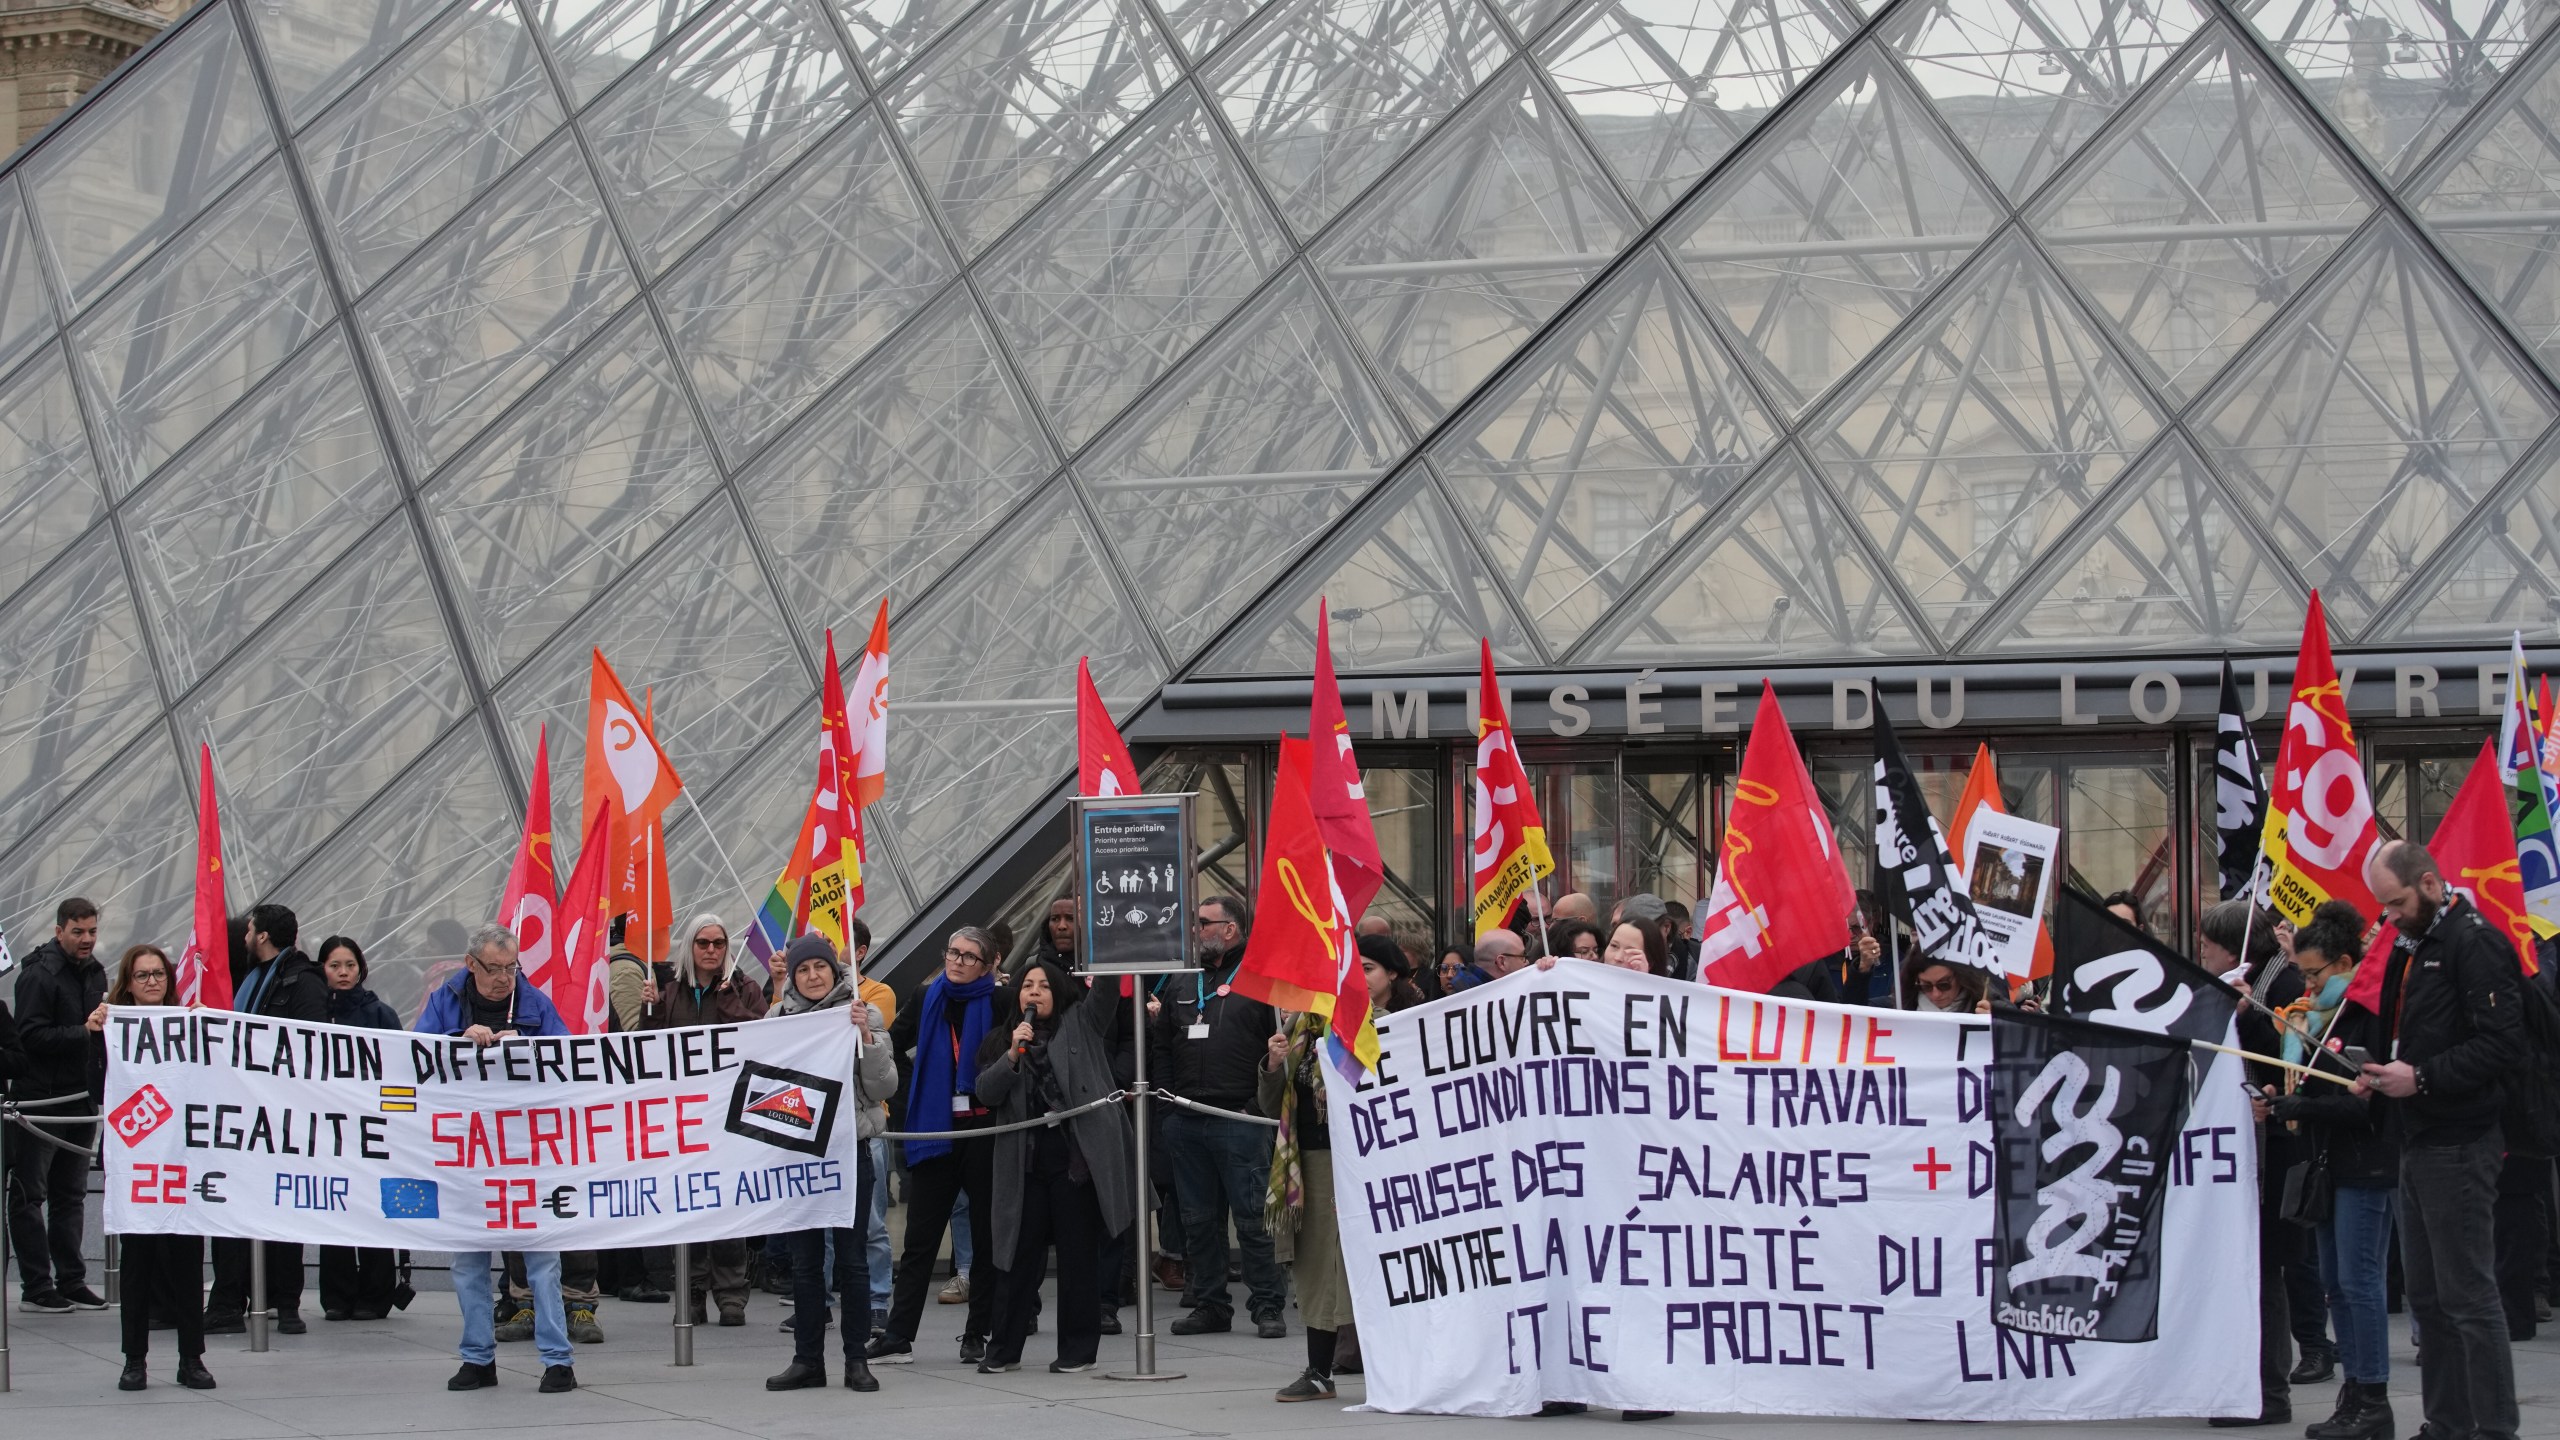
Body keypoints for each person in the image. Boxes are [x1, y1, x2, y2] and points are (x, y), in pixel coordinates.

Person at [2359, 840, 2524, 1440]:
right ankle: (2446, 1421)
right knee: (2427, 1299)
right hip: (2420, 1132)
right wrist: (2380, 1071)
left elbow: (2503, 1044)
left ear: (2429, 884)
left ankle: (2493, 1427)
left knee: (2468, 1297)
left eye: (2396, 903)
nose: (2390, 917)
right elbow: (2416, 1031)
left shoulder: (2471, 940)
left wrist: (2421, 1077)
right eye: (2383, 907)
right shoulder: (2417, 939)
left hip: (2460, 1136)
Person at [1264, 936, 1423, 1403]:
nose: (1355, 979)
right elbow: (1273, 1104)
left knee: (1378, 1267)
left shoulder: (1401, 1027)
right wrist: (1274, 1064)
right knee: (1317, 1267)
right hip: (1314, 1162)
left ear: (1392, 974)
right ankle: (1318, 1369)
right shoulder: (1304, 1028)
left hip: (1376, 1166)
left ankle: (1402, 1365)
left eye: (1367, 968)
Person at [418, 926, 577, 1394]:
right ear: (471, 964)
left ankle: (558, 1361)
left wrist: (529, 1049)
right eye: (495, 969)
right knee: (467, 1262)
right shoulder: (443, 1003)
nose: (505, 978)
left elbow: (569, 1063)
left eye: (512, 968)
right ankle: (477, 1358)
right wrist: (455, 1039)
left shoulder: (536, 1005)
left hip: (527, 1153)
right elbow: (417, 1057)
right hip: (468, 1156)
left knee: (542, 1261)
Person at [2263, 902, 2396, 1440]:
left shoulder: (2365, 1009)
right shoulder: (2317, 1017)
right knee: (2337, 1283)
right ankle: (2354, 1391)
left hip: (2365, 1163)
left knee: (2360, 1281)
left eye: (2314, 973)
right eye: (2303, 973)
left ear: (2344, 962)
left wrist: (2305, 1107)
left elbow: (2366, 1102)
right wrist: (2283, 1099)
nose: (2308, 984)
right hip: (2327, 1163)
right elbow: (2318, 1091)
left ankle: (2374, 1396)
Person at [976, 958, 1133, 1374]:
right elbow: (986, 1093)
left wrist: (1108, 942)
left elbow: (1107, 991)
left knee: (1077, 1258)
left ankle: (1077, 1351)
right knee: (1016, 1259)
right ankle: (1003, 1350)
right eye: (1027, 985)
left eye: (1044, 986)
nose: (1034, 992)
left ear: (1058, 992)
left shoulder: (1081, 1022)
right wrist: (1012, 1053)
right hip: (1024, 1166)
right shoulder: (1003, 1038)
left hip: (1074, 1165)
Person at [872, 927, 1016, 1365]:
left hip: (985, 1133)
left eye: (969, 957)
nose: (956, 961)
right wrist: (915, 1090)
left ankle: (977, 1334)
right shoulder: (926, 994)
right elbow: (893, 1045)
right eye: (952, 952)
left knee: (987, 1240)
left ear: (990, 965)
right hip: (935, 1129)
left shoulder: (1000, 1001)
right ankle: (898, 1337)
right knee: (920, 1239)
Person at [80, 945, 213, 1390]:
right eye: (142, 975)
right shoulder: (111, 1026)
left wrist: (207, 1027)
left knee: (187, 1262)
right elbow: (97, 1088)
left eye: (158, 974)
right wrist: (94, 1035)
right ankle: (133, 1359)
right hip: (136, 1164)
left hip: (180, 1160)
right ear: (128, 981)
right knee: (137, 1264)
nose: (152, 981)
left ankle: (191, 1357)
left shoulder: (186, 1023)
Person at [1153, 894, 1286, 1338]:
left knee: (1252, 1220)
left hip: (1241, 1118)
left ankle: (1267, 1305)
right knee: (1198, 1220)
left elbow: (1280, 1047)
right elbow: (1162, 1045)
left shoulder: (1262, 977)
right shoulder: (1182, 979)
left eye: (1204, 922)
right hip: (1187, 1117)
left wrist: (1255, 1106)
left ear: (1230, 929)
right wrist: (1169, 1100)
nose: (1196, 929)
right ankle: (1210, 1304)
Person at [765, 934, 892, 1392]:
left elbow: (884, 1087)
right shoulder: (778, 1018)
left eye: (820, 967)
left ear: (835, 970)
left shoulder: (863, 1011)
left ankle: (856, 1360)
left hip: (849, 1151)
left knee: (853, 1260)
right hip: (799, 1155)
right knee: (804, 1263)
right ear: (794, 977)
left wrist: (865, 1038)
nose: (813, 976)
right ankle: (807, 1360)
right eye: (803, 970)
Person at [2201, 896, 2307, 1429]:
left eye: (2206, 944)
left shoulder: (2279, 986)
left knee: (2264, 1266)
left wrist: (2249, 1017)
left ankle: (2268, 1388)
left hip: (2273, 1149)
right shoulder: (2253, 979)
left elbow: (2287, 1057)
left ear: (2229, 944)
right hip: (2244, 1148)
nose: (2202, 953)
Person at [206, 902, 328, 1335]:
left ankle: (284, 1301)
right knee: (235, 1207)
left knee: (281, 1209)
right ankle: (230, 1299)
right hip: (247, 1109)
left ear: (261, 936)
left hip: (280, 1113)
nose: (243, 936)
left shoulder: (302, 981)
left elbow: (311, 1044)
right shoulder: (258, 977)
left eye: (249, 929)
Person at [644, 913, 765, 1326]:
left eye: (718, 943)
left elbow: (765, 1036)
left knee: (730, 1205)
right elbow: (648, 1050)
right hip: (685, 1118)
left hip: (731, 1113)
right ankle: (692, 1290)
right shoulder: (670, 991)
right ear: (689, 947)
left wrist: (731, 1004)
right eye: (703, 943)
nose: (712, 950)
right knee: (689, 1203)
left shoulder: (744, 987)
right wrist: (653, 1012)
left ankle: (731, 1294)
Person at [9, 896, 105, 1314]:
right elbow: (29, 1038)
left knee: (71, 1193)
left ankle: (71, 1280)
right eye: (78, 932)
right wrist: (82, 1031)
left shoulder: (95, 971)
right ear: (59, 930)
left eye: (92, 931)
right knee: (31, 1193)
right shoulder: (38, 976)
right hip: (41, 1100)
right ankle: (36, 1284)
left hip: (79, 1098)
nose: (87, 940)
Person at [313, 936, 404, 1325]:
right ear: (323, 970)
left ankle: (375, 1293)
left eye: (349, 965)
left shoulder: (381, 1014)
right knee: (332, 1210)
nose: (344, 972)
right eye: (335, 965)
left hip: (372, 1130)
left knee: (371, 1210)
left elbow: (401, 1073)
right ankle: (336, 1295)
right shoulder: (311, 1016)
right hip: (327, 1130)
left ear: (361, 969)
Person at [1902, 956, 1986, 1013]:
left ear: (1961, 978)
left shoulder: (1987, 1009)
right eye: (1926, 986)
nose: (1936, 994)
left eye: (1944, 985)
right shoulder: (1901, 1009)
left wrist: (1992, 1027)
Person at [1599, 919, 1666, 976]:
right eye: (1614, 946)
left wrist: (1643, 980)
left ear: (1650, 964)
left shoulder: (1663, 990)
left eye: (1631, 952)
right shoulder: (1589, 980)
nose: (1618, 958)